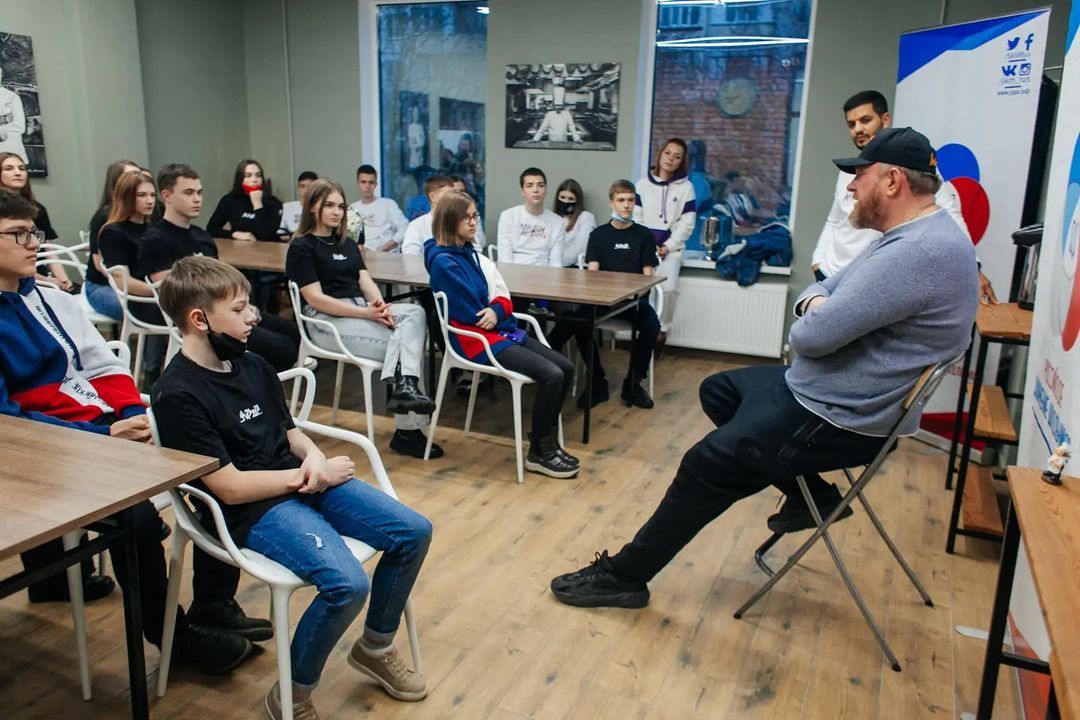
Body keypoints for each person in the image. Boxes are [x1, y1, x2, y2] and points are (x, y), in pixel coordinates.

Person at [549, 128, 980, 609]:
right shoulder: (915, 237)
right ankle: (812, 494)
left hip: (841, 415)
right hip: (833, 391)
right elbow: (823, 289)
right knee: (720, 391)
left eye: (860, 175)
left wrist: (817, 310)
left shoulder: (914, 253)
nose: (853, 187)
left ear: (893, 180)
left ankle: (624, 577)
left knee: (706, 463)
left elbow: (807, 338)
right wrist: (817, 304)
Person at [154, 256, 431, 717]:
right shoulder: (177, 393)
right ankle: (293, 694)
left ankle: (376, 646)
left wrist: (314, 456)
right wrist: (310, 475)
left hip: (301, 483)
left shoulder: (252, 364)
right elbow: (229, 488)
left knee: (414, 532)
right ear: (200, 320)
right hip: (252, 510)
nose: (253, 317)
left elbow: (289, 432)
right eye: (239, 309)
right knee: (347, 585)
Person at [0, 188, 261, 673]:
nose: (34, 242)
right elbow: (7, 423)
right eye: (18, 234)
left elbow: (102, 363)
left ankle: (213, 602)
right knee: (136, 519)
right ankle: (171, 637)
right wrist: (102, 440)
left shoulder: (51, 298)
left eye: (33, 231)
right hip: (55, 448)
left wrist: (128, 416)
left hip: (104, 426)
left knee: (216, 459)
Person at [424, 190, 579, 478]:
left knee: (565, 367)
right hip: (475, 341)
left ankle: (546, 442)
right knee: (552, 375)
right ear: (450, 220)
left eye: (475, 216)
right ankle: (540, 450)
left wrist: (497, 309)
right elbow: (474, 314)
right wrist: (498, 309)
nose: (474, 222)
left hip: (499, 332)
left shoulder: (469, 252)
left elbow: (499, 295)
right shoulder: (444, 261)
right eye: (467, 218)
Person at [285, 179, 441, 459]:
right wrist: (366, 313)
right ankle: (408, 431)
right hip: (325, 321)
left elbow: (364, 280)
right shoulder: (301, 247)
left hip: (360, 309)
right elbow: (315, 299)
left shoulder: (346, 243)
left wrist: (380, 306)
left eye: (341, 206)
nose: (337, 212)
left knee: (414, 313)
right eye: (329, 205)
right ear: (313, 207)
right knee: (405, 347)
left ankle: (406, 391)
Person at [812, 90, 996, 303]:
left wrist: (973, 267)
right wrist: (818, 261)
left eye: (865, 120)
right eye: (851, 124)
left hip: (866, 282)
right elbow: (835, 220)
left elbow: (950, 216)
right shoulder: (848, 171)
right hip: (830, 274)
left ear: (885, 119)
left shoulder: (913, 170)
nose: (858, 129)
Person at [140, 163, 300, 373]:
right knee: (283, 348)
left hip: (229, 309)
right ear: (167, 196)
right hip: (203, 321)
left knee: (294, 331)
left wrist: (243, 307)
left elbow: (222, 282)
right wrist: (234, 311)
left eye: (199, 193)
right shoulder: (155, 239)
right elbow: (174, 293)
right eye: (189, 193)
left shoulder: (202, 236)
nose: (197, 199)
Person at [549, 180, 660, 410]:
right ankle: (596, 381)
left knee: (652, 326)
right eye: (621, 200)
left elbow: (648, 279)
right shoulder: (599, 235)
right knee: (578, 320)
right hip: (604, 301)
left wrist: (631, 294)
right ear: (612, 203)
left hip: (634, 302)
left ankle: (633, 383)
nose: (626, 205)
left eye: (630, 200)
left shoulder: (644, 235)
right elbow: (592, 276)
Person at [634, 138, 696, 350]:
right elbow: (637, 218)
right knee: (642, 291)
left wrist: (668, 247)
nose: (670, 159)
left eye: (677, 157)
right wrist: (648, 246)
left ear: (681, 162)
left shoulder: (686, 188)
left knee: (669, 290)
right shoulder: (642, 185)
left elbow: (687, 224)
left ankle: (661, 331)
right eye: (668, 153)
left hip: (671, 251)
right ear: (660, 154)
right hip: (645, 250)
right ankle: (642, 332)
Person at [0, 151, 74, 292]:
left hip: (40, 273)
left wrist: (64, 280)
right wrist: (46, 281)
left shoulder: (38, 209)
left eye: (22, 168)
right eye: (9, 169)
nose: (18, 173)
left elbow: (49, 249)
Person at [94, 171, 157, 327]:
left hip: (154, 296)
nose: (150, 201)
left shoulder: (153, 230)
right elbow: (122, 281)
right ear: (127, 197)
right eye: (141, 195)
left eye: (152, 195)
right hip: (136, 300)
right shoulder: (112, 232)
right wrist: (163, 292)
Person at [83, 161, 143, 319]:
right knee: (147, 310)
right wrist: (139, 288)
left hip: (134, 283)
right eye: (130, 176)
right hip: (103, 286)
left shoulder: (145, 217)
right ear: (116, 184)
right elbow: (100, 265)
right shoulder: (104, 218)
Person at [497, 167, 565, 268]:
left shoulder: (557, 222)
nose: (536, 190)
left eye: (540, 185)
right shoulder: (508, 216)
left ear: (546, 190)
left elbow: (556, 263)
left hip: (545, 272)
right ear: (522, 191)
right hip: (514, 271)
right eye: (530, 186)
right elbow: (504, 259)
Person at [207, 159, 284, 242]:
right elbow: (211, 229)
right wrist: (233, 234)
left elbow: (266, 237)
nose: (254, 180)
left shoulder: (273, 202)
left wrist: (257, 204)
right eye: (248, 176)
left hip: (267, 248)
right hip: (240, 248)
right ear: (240, 179)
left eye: (258, 175)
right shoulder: (230, 200)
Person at [350, 164, 408, 252]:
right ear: (358, 184)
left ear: (376, 184)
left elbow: (405, 227)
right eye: (363, 182)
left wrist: (385, 248)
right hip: (361, 254)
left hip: (386, 254)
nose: (367, 186)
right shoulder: (352, 208)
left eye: (371, 182)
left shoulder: (388, 204)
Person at [400, 174, 453, 256]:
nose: (453, 198)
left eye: (454, 195)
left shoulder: (462, 223)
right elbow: (410, 256)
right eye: (447, 195)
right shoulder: (417, 226)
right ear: (432, 197)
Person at [553, 178, 596, 267]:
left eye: (571, 199)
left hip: (576, 268)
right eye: (562, 197)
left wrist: (555, 261)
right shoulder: (552, 219)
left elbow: (577, 250)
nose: (566, 202)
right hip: (553, 267)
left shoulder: (586, 218)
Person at [448, 174, 486, 250]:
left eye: (462, 191)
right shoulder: (440, 215)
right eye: (454, 191)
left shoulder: (472, 212)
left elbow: (481, 242)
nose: (459, 195)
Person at [280, 170, 317, 237]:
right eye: (302, 186)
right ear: (298, 188)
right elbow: (281, 232)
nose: (306, 190)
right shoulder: (288, 207)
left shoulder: (321, 209)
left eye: (310, 187)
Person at [0, 67, 27, 159]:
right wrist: (5, 119)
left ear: (1, 75)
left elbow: (19, 127)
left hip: (12, 153)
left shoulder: (12, 97)